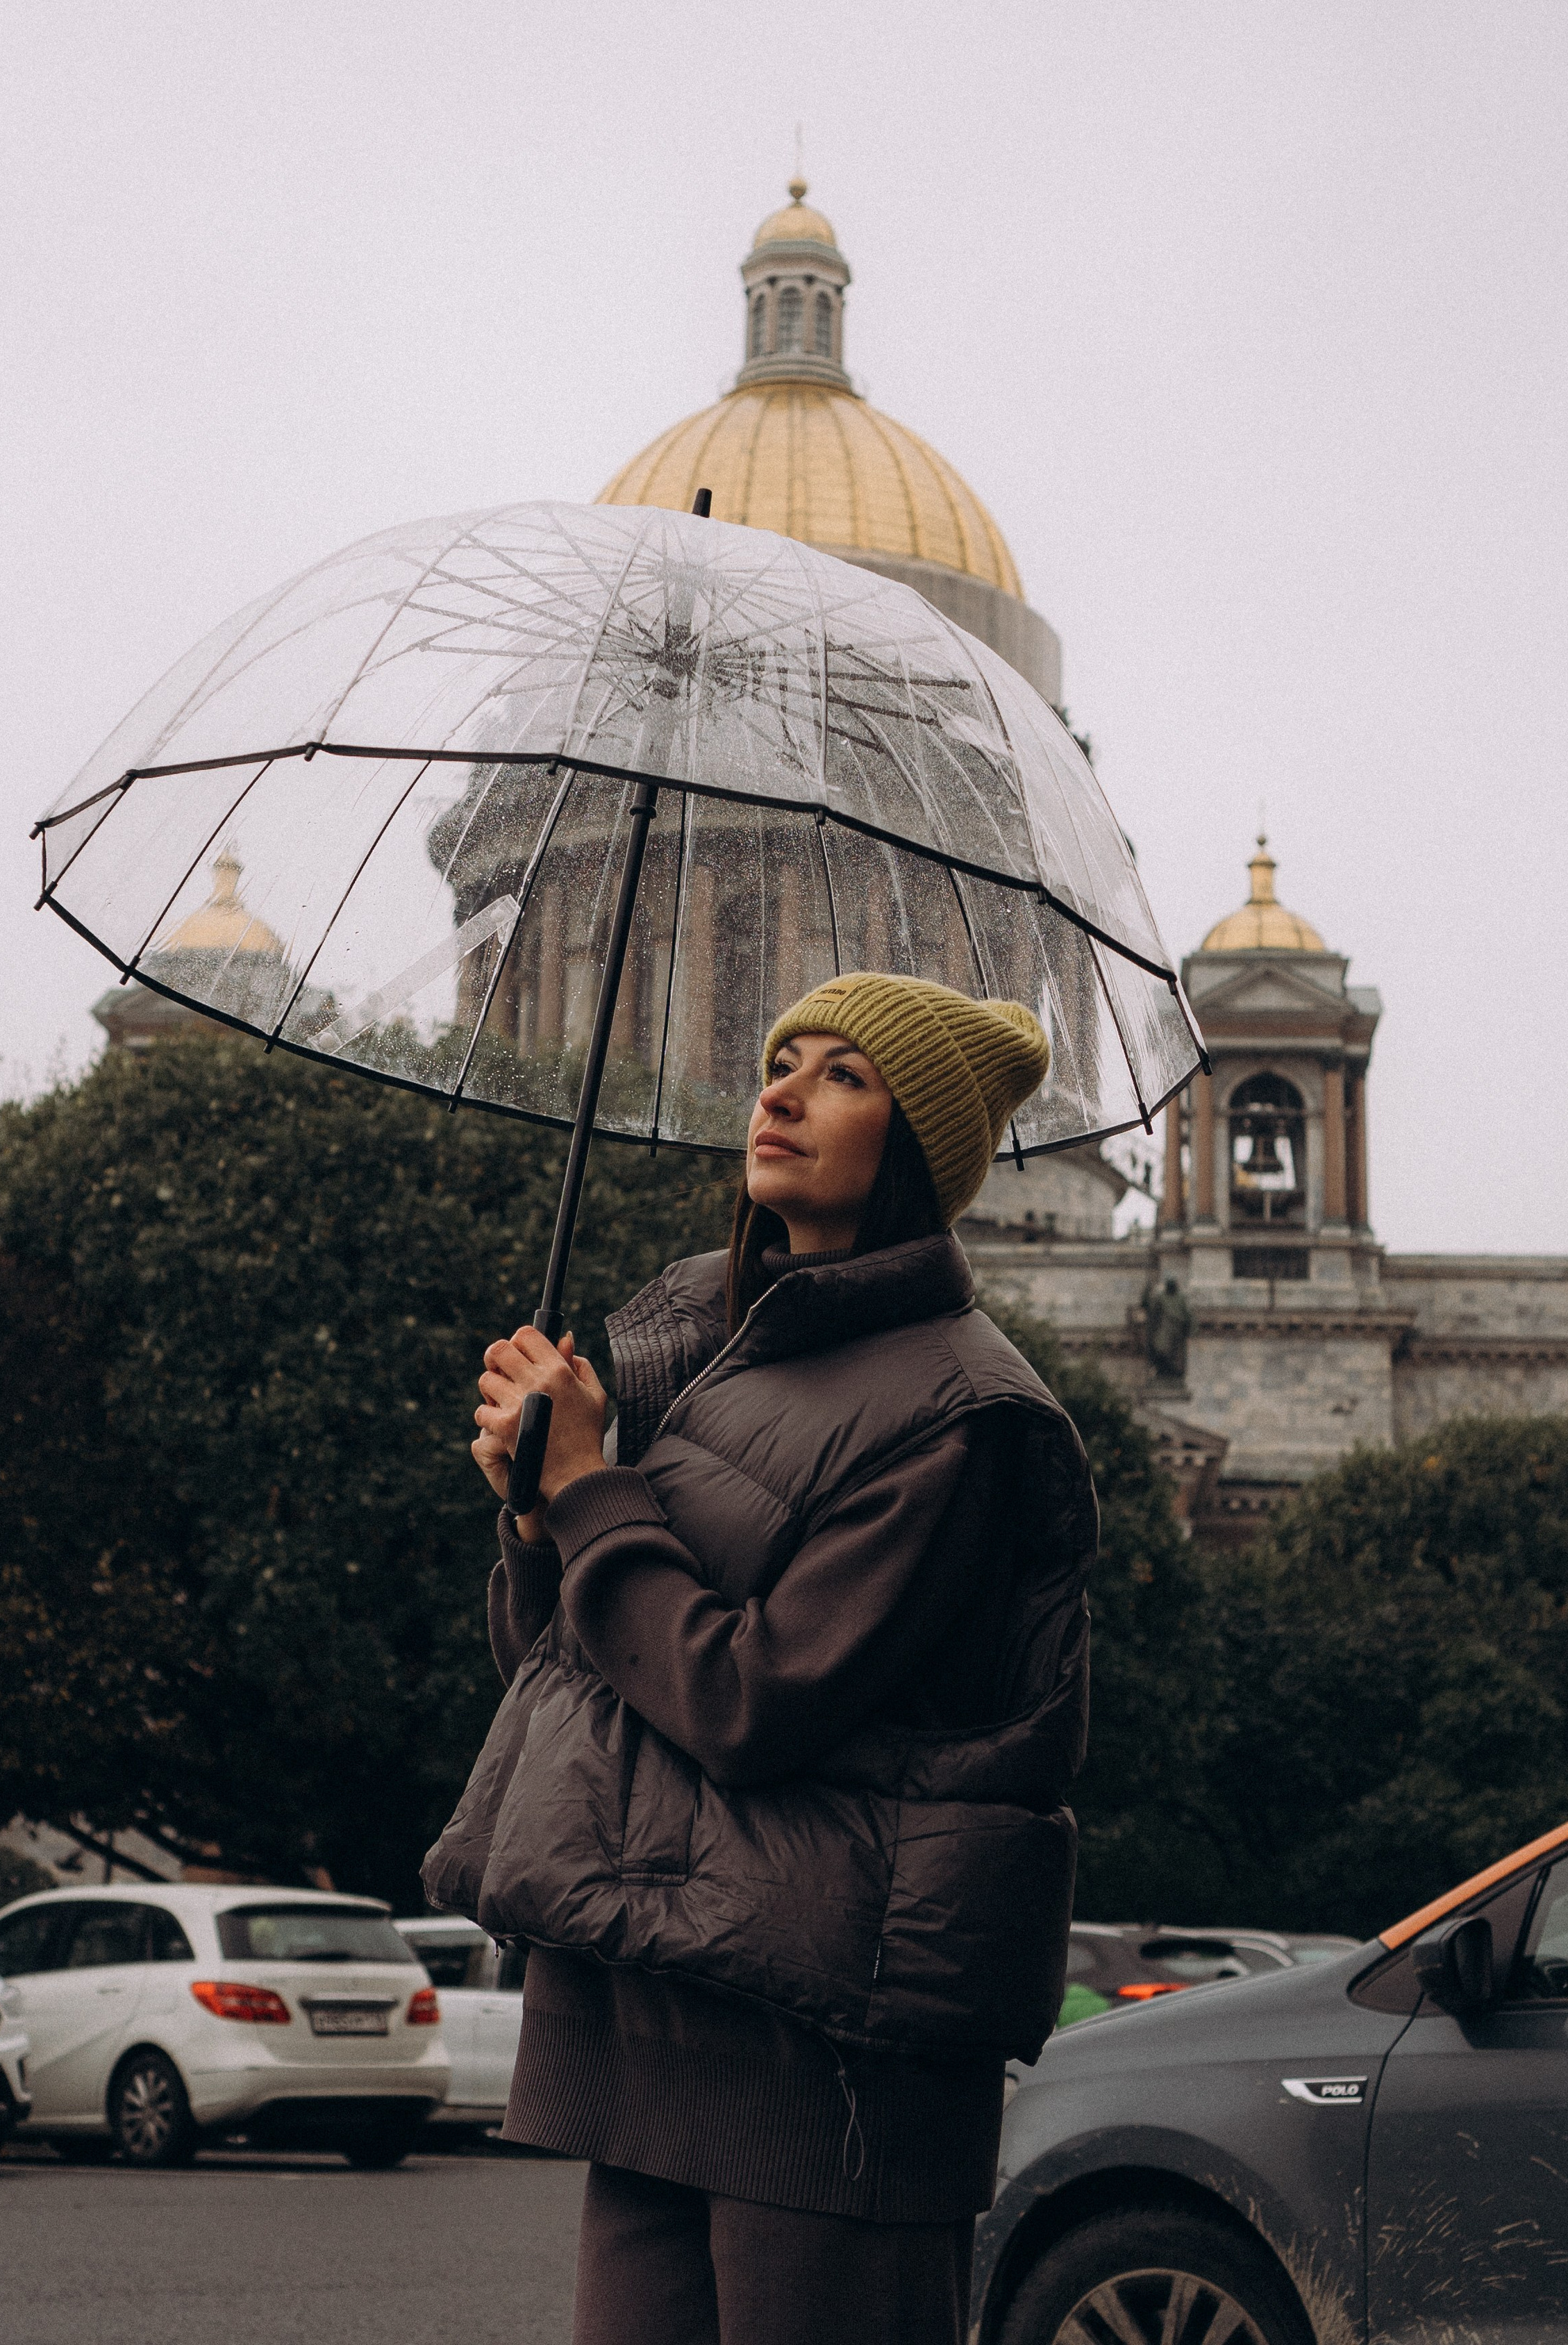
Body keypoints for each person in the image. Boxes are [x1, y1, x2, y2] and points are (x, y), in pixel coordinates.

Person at [424, 972, 1097, 2345]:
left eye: (843, 1073)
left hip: (828, 2042)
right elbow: (566, 1675)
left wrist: (595, 1493)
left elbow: (744, 1701)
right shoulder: (702, 1342)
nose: (780, 1091)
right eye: (780, 1056)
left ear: (913, 1149)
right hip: (664, 2004)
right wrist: (539, 1506)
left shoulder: (960, 1411)